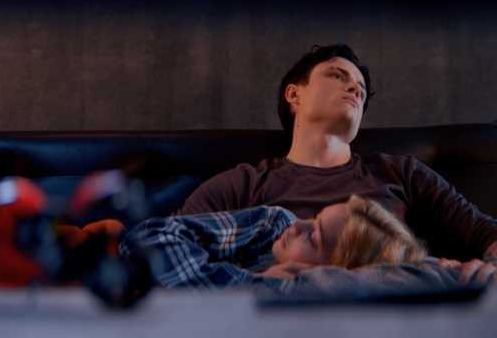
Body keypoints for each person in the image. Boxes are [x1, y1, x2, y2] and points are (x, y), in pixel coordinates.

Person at [81, 44, 497, 282]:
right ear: (294, 95)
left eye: (360, 87)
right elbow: (170, 247)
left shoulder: (399, 172)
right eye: (337, 75)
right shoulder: (245, 184)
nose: (355, 88)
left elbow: (486, 234)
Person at [119, 194, 429, 287]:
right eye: (315, 217)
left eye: (314, 237)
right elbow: (148, 238)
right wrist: (252, 283)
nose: (299, 225)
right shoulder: (275, 224)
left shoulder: (309, 295)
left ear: (330, 273)